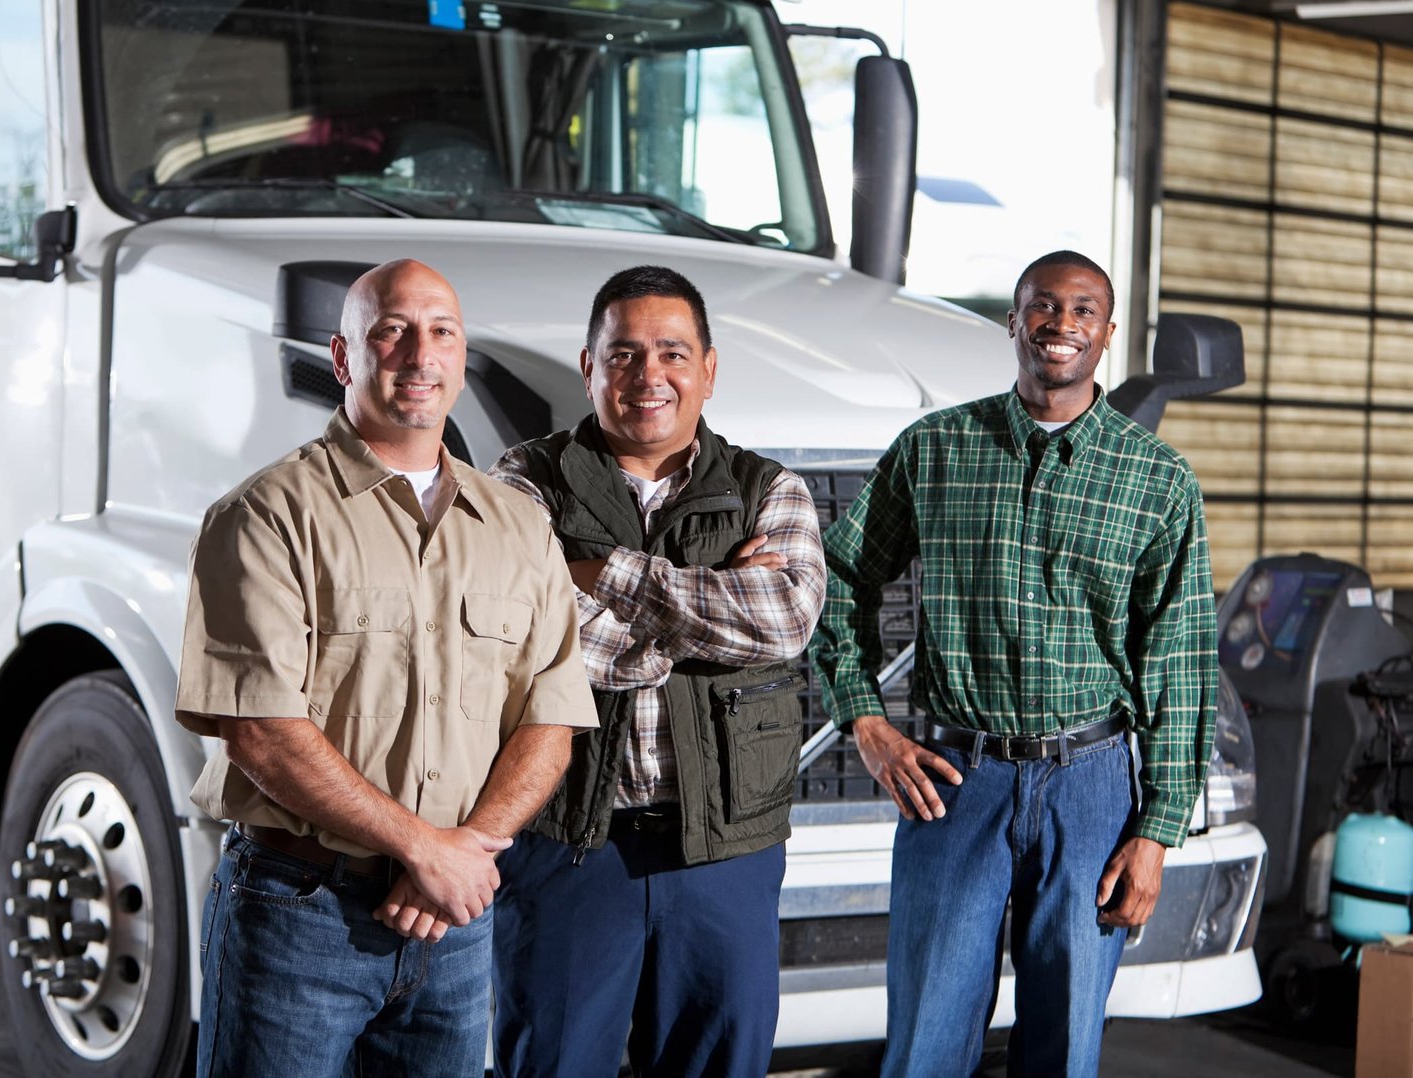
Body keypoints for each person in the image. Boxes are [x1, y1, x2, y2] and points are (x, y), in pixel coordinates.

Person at [174, 258, 596, 1077]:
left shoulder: (517, 526)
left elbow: (552, 721)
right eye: (391, 332)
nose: (418, 354)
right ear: (343, 359)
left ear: (462, 354)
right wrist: (424, 850)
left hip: (455, 928)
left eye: (440, 332)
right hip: (301, 916)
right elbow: (261, 731)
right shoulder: (266, 516)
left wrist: (461, 853)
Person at [812, 249, 1218, 1077]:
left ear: (1106, 334)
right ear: (1014, 320)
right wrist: (865, 721)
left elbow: (1180, 659)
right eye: (1042, 305)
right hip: (956, 780)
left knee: (1064, 1047)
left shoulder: (1158, 479)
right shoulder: (937, 450)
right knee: (925, 1038)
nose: (1060, 324)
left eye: (1082, 311)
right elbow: (836, 578)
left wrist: (1158, 830)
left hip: (1096, 787)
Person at [489, 264, 827, 1078]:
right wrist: (711, 616)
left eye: (673, 354)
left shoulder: (768, 489)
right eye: (625, 355)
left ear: (709, 369)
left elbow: (784, 621)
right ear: (588, 367)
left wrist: (604, 574)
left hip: (723, 853)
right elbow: (529, 636)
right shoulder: (520, 483)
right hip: (570, 845)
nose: (650, 377)